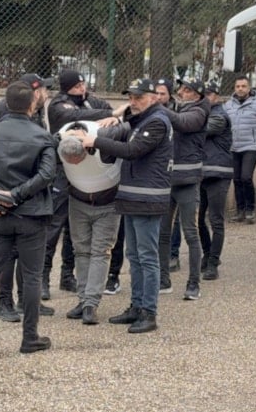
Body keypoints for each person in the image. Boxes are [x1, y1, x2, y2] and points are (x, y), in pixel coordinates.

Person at [75, 78, 173, 334]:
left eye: (138, 97)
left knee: (147, 258)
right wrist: (116, 116)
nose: (133, 101)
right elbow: (124, 132)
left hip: (148, 199)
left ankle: (149, 312)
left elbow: (132, 150)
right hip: (133, 197)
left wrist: (95, 141)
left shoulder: (157, 121)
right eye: (130, 97)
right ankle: (137, 306)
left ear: (154, 97)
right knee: (134, 256)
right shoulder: (141, 119)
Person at [0, 80, 56, 356]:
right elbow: (47, 174)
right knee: (31, 277)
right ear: (32, 104)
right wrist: (15, 195)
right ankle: (30, 337)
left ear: (6, 103)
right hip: (31, 215)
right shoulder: (41, 136)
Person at [47, 69, 127, 297]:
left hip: (89, 172)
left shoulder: (91, 101)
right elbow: (74, 117)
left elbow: (110, 117)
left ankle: (71, 276)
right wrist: (110, 113)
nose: (82, 89)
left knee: (78, 232)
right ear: (66, 88)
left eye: (83, 84)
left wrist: (113, 117)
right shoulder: (58, 104)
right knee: (56, 226)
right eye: (77, 86)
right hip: (64, 169)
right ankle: (46, 278)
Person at [0, 73, 55, 322]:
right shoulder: (9, 113)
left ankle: (27, 300)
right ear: (34, 93)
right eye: (44, 90)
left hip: (28, 194)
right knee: (9, 255)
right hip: (8, 195)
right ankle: (5, 303)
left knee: (26, 255)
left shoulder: (35, 114)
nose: (47, 94)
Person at [57, 121, 122, 325]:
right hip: (78, 202)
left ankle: (91, 304)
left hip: (108, 203)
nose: (75, 165)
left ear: (87, 147)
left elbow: (127, 129)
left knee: (100, 252)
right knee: (81, 251)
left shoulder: (104, 139)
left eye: (78, 161)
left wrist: (117, 116)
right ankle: (83, 299)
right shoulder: (60, 139)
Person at [157, 78, 208, 300]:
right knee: (162, 233)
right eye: (181, 89)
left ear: (197, 94)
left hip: (187, 180)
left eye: (187, 90)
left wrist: (155, 105)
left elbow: (182, 122)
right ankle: (163, 280)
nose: (181, 92)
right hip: (168, 180)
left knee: (190, 233)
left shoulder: (199, 112)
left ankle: (193, 283)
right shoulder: (176, 108)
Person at [224, 75, 256, 224]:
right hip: (233, 147)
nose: (240, 89)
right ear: (234, 88)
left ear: (249, 88)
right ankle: (240, 211)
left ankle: (250, 210)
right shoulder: (228, 105)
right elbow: (223, 125)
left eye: (243, 86)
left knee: (246, 177)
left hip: (251, 146)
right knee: (237, 179)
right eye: (238, 86)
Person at [200, 79, 233, 280]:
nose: (205, 98)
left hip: (218, 174)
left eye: (209, 95)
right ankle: (208, 253)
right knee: (198, 220)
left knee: (216, 220)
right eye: (202, 95)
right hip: (202, 173)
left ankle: (213, 262)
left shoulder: (219, 116)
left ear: (216, 96)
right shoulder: (203, 113)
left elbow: (200, 130)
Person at [155, 78, 181, 273]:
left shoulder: (179, 111)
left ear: (170, 95)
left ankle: (173, 254)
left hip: (176, 168)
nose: (158, 97)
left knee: (175, 217)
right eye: (155, 93)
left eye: (162, 93)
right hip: (157, 170)